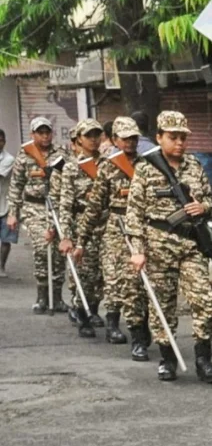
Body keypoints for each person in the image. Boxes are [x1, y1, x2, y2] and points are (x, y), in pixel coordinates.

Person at [125, 111, 212, 384]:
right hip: (158, 246)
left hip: (191, 245)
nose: (179, 143)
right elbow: (134, 213)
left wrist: (203, 207)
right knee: (162, 307)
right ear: (159, 137)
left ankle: (204, 358)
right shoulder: (146, 168)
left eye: (183, 137)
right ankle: (167, 358)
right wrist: (137, 250)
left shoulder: (194, 166)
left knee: (204, 300)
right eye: (173, 137)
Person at [79, 116, 149, 354]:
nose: (130, 142)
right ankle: (112, 323)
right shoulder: (107, 166)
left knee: (139, 280)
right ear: (115, 139)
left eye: (133, 138)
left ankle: (142, 323)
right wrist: (82, 239)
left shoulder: (147, 164)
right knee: (113, 276)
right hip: (115, 226)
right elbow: (95, 205)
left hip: (140, 225)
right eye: (125, 138)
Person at [6, 116, 67, 313]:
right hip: (34, 208)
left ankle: (56, 297)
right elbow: (16, 186)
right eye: (40, 132)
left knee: (58, 252)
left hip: (56, 207)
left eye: (47, 132)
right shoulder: (24, 156)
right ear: (33, 134)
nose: (45, 136)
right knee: (42, 247)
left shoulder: (61, 154)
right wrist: (13, 213)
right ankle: (42, 295)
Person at [54, 118, 107, 338]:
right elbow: (65, 205)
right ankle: (82, 313)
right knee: (85, 274)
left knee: (102, 276)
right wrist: (66, 236)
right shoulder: (71, 169)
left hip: (105, 225)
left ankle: (93, 309)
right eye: (89, 136)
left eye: (97, 135)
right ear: (78, 140)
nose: (94, 140)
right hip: (80, 226)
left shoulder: (108, 164)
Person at [0, 129, 16, 277]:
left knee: (6, 238)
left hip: (5, 204)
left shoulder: (8, 159)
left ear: (4, 142)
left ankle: (1, 266)